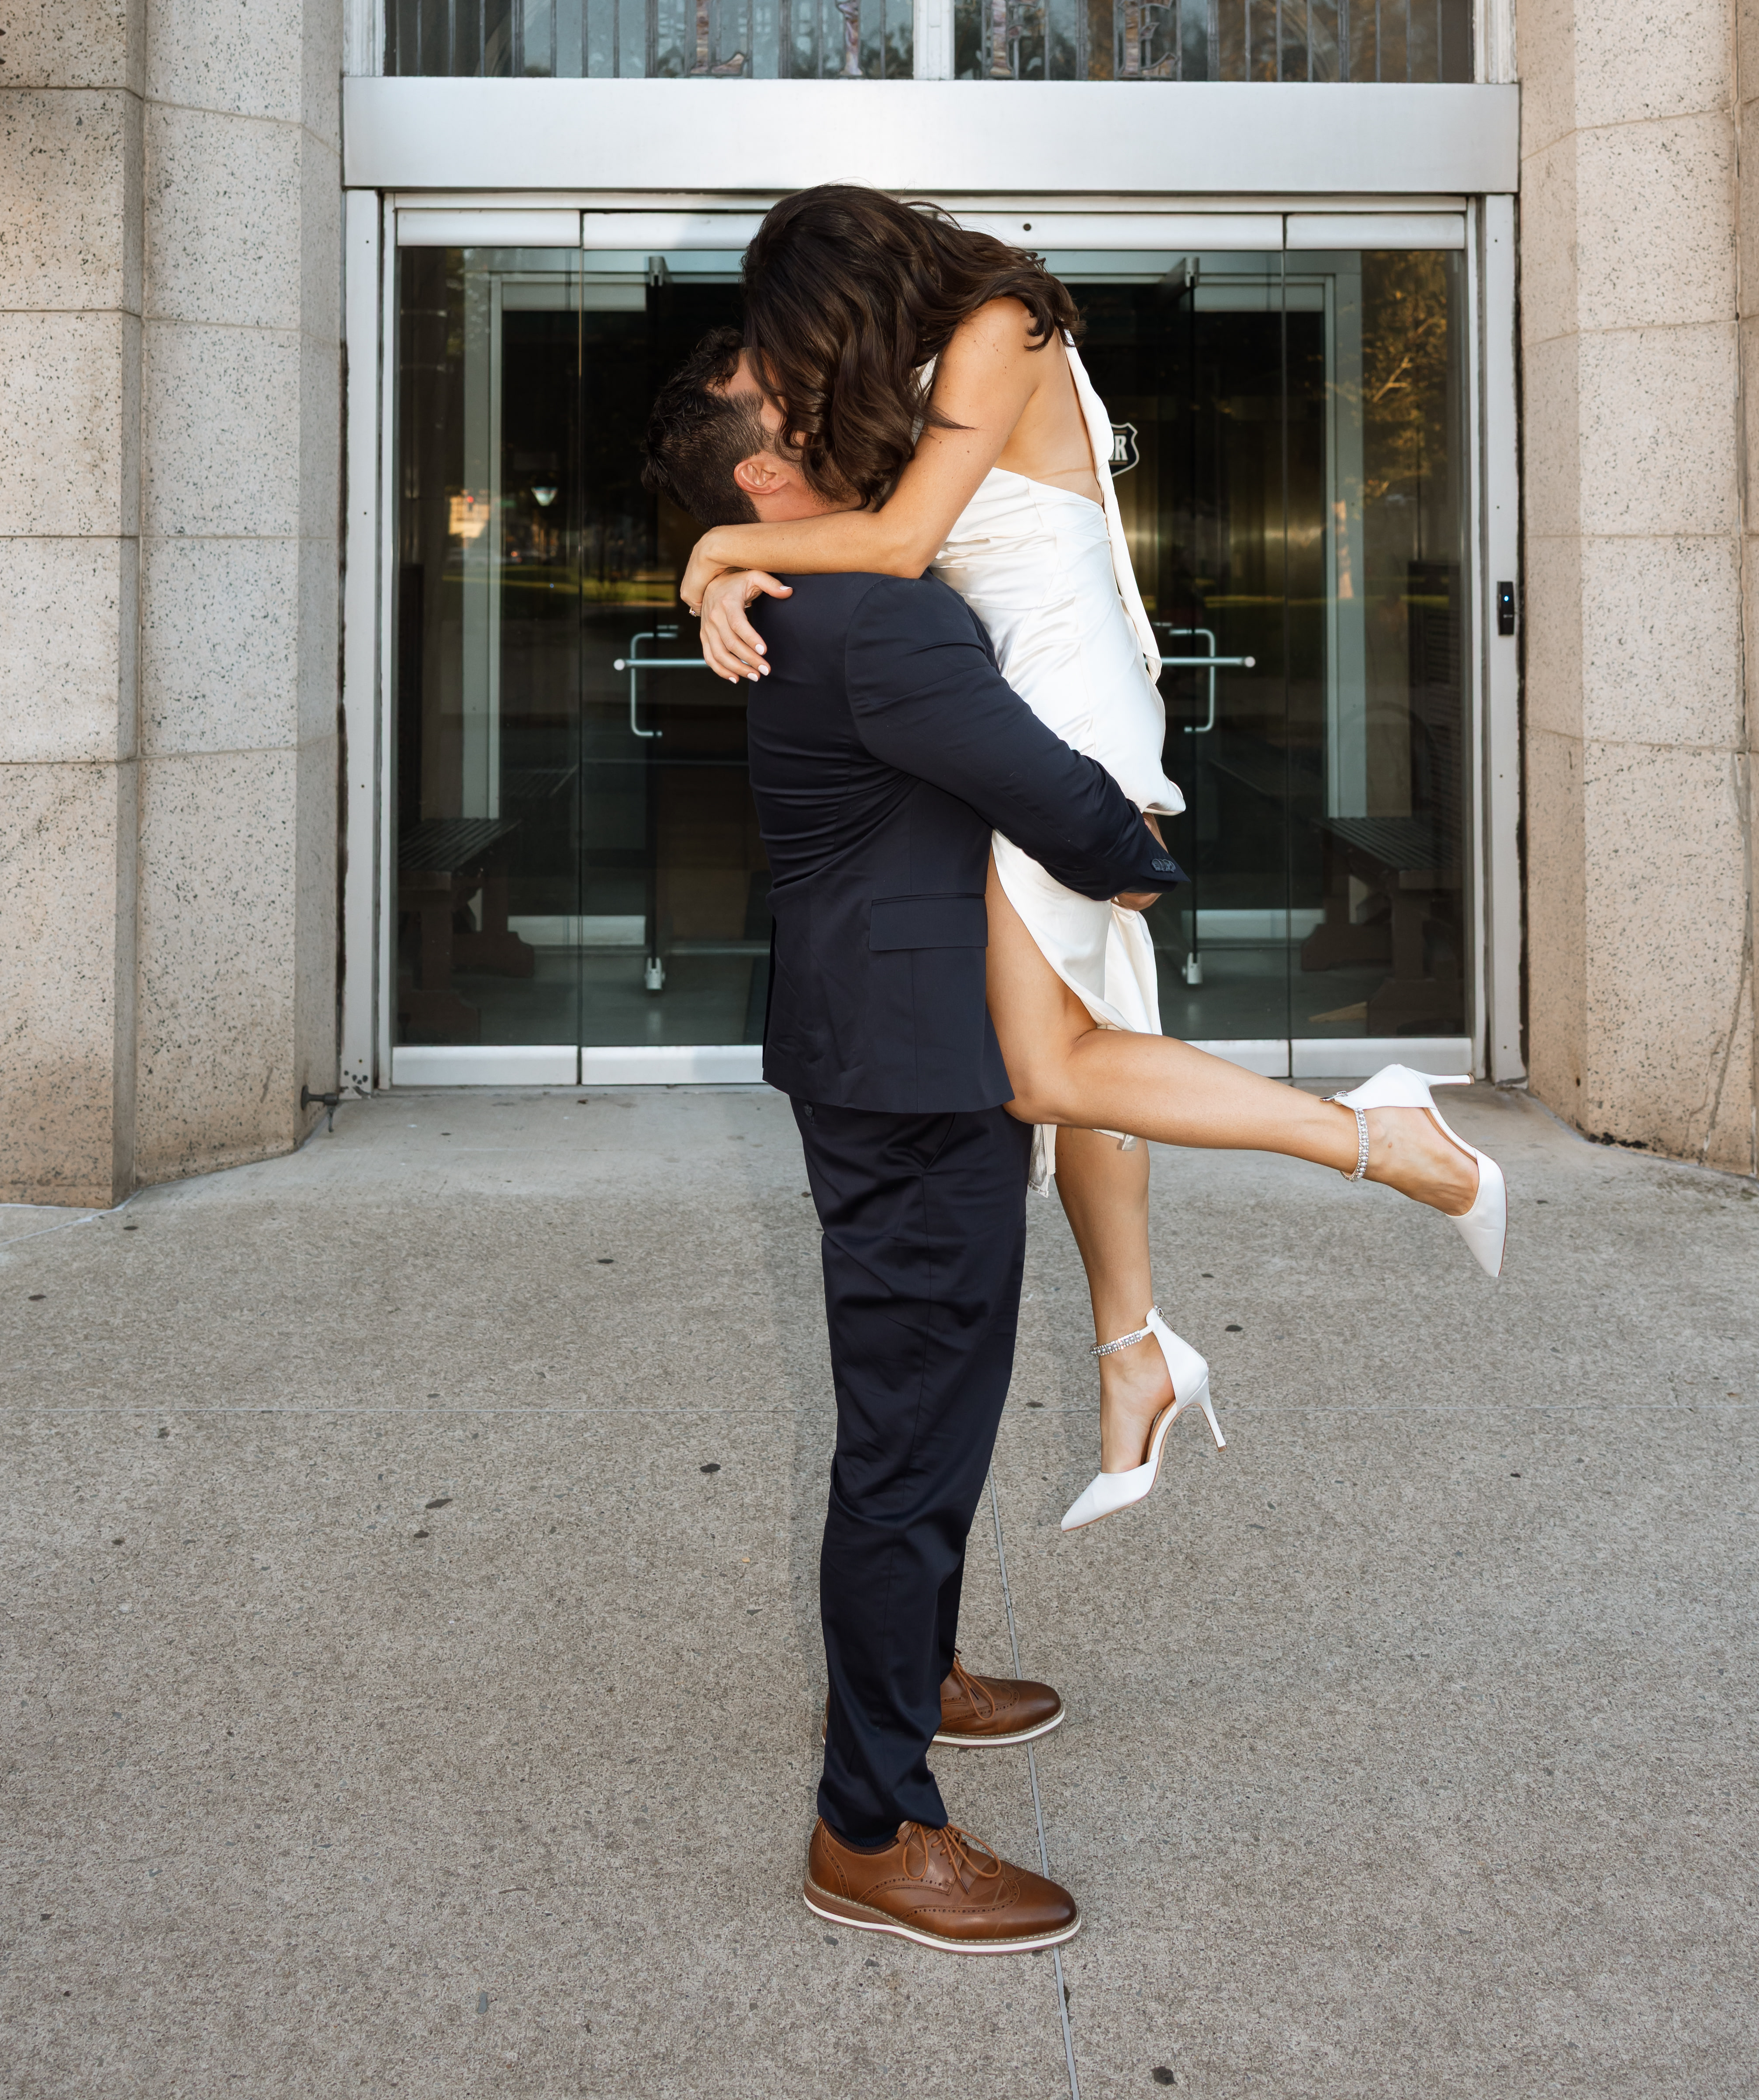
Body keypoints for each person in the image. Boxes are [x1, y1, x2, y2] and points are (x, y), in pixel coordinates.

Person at [678, 188, 1506, 1528]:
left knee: (1042, 1063)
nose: (802, 367)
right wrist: (724, 576)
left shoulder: (998, 327)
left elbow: (889, 547)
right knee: (1078, 1048)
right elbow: (859, 547)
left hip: (1062, 709)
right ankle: (1134, 1351)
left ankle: (1385, 1138)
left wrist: (715, 547)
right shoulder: (931, 371)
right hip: (1030, 698)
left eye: (804, 332)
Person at [642, 339, 1186, 1953]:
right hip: (913, 1070)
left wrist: (716, 564)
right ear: (762, 472)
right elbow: (1044, 792)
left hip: (890, 1047)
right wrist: (1143, 861)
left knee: (922, 1413)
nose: (822, 404)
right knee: (909, 1444)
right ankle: (869, 1826)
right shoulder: (880, 612)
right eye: (785, 403)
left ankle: (920, 1667)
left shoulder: (814, 590)